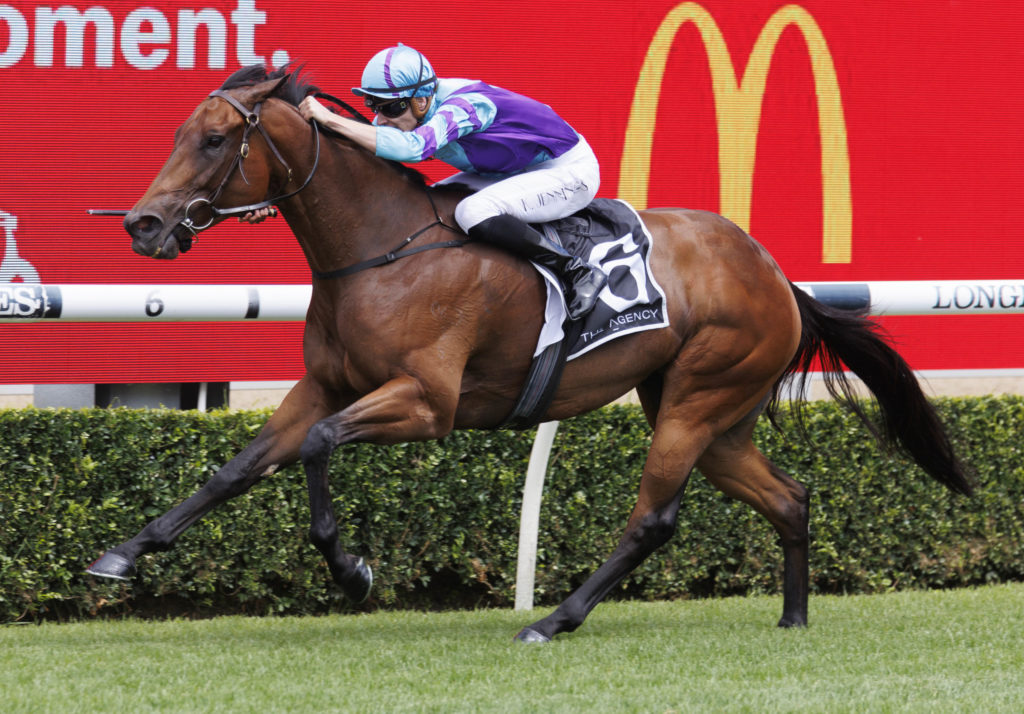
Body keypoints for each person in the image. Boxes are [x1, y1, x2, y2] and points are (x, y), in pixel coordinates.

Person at [250, 43, 607, 320]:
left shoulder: (465, 106)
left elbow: (415, 148)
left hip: (567, 169)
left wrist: (330, 119)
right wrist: (271, 199)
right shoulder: (413, 106)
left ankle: (576, 271)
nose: (381, 119)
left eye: (391, 108)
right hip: (512, 169)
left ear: (423, 99)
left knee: (472, 212)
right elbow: (356, 159)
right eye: (375, 106)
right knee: (430, 203)